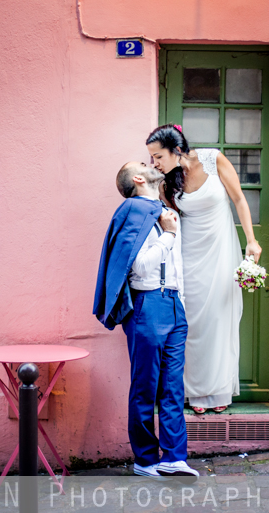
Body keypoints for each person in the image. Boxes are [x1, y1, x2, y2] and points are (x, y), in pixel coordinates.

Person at [93, 161, 199, 481]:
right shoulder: (134, 212)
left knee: (172, 387)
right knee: (145, 386)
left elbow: (176, 265)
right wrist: (167, 235)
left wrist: (180, 303)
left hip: (174, 306)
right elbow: (138, 269)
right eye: (143, 164)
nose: (150, 163)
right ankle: (145, 459)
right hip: (148, 305)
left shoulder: (164, 212)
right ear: (139, 179)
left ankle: (174, 458)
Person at [146, 124, 262, 414]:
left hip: (220, 249)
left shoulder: (213, 159)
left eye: (158, 156)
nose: (155, 163)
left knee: (218, 319)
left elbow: (238, 199)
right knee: (192, 322)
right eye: (152, 158)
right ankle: (192, 392)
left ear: (176, 150)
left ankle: (217, 390)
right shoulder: (166, 182)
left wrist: (252, 241)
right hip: (189, 254)